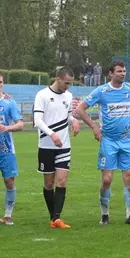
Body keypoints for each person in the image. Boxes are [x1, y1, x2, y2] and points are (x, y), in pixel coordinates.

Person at [75, 61, 130, 226]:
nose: (123, 74)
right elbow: (80, 109)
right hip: (108, 140)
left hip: (126, 140)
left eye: (124, 71)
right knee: (107, 180)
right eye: (119, 71)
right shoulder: (102, 91)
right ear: (110, 73)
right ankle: (105, 215)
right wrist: (94, 127)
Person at [33, 66, 80, 229]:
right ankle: (53, 217)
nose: (68, 86)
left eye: (70, 83)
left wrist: (74, 121)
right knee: (49, 183)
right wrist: (52, 134)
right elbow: (37, 121)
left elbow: (68, 116)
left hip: (64, 145)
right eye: (66, 83)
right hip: (46, 146)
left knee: (62, 180)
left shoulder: (68, 96)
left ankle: (57, 218)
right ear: (57, 79)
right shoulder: (42, 95)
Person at [0, 71, 24, 225]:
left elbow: (20, 124)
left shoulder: (9, 102)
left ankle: (8, 214)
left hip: (6, 149)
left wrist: (7, 128)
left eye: (0, 82)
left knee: (9, 181)